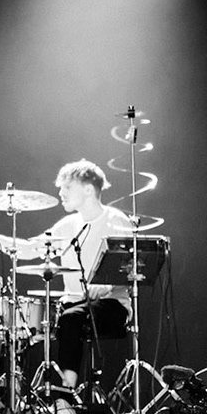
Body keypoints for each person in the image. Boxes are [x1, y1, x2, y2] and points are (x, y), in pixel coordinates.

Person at [43, 160, 138, 395]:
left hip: (113, 306)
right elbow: (33, 248)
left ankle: (65, 395)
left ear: (88, 189)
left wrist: (105, 286)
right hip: (75, 304)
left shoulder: (116, 221)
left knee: (71, 318)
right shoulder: (67, 225)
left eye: (67, 187)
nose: (60, 193)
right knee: (33, 324)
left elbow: (130, 266)